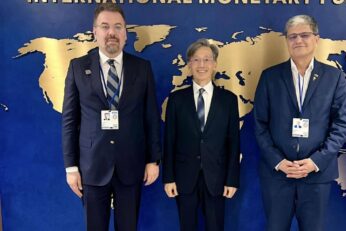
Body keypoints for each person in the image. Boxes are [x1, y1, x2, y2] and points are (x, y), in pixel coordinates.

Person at [62, 3, 161, 231]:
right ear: (94, 32)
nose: (111, 33)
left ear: (125, 33)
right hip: (92, 167)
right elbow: (69, 120)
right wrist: (70, 167)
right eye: (105, 26)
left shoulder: (142, 68)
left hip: (131, 165)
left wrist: (153, 159)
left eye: (118, 27)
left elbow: (151, 117)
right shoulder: (78, 67)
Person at [253, 15, 346, 231]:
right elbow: (259, 124)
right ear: (287, 41)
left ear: (316, 39)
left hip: (316, 175)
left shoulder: (334, 77)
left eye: (304, 35)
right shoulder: (270, 77)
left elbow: (340, 125)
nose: (298, 41)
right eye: (292, 36)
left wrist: (315, 162)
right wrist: (278, 162)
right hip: (277, 175)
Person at [163, 39, 240, 231]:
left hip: (217, 178)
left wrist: (232, 179)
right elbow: (169, 140)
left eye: (207, 59)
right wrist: (168, 177)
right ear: (189, 65)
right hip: (183, 178)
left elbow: (234, 143)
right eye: (196, 60)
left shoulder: (228, 100)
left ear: (215, 64)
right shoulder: (176, 99)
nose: (202, 65)